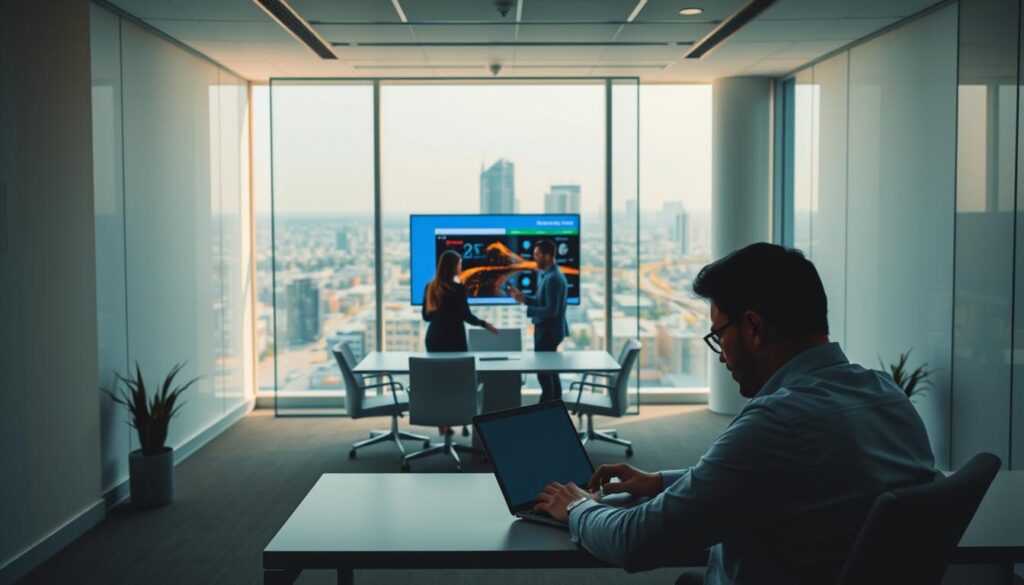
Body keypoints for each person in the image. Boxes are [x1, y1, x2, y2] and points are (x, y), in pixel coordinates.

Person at [532, 243, 938, 585]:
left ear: (754, 328)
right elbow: (775, 479)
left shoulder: (777, 423)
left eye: (719, 335)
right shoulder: (887, 395)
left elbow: (635, 541)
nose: (721, 353)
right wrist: (659, 482)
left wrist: (577, 508)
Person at [508, 240, 569, 403]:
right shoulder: (549, 275)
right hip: (547, 331)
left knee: (544, 375)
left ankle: (546, 411)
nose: (534, 258)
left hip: (548, 333)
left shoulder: (554, 278)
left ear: (548, 256)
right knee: (550, 373)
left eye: (537, 254)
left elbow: (551, 310)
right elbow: (543, 301)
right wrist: (524, 299)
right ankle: (555, 409)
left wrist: (529, 311)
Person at [422, 250, 498, 352]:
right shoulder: (458, 289)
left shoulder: (429, 287)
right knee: (458, 367)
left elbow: (426, 317)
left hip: (433, 337)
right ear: (453, 267)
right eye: (459, 264)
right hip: (454, 338)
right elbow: (467, 316)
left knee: (436, 368)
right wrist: (485, 324)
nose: (461, 267)